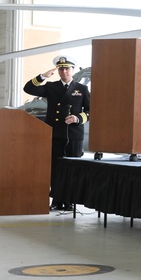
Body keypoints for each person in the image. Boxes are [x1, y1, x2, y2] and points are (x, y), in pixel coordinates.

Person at [23, 55, 90, 211]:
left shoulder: (82, 89)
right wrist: (42, 77)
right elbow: (29, 88)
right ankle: (56, 199)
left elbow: (91, 110)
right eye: (61, 69)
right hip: (54, 133)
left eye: (67, 68)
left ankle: (69, 200)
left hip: (73, 135)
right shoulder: (52, 87)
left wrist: (78, 118)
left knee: (72, 169)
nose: (64, 71)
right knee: (55, 168)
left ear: (73, 70)